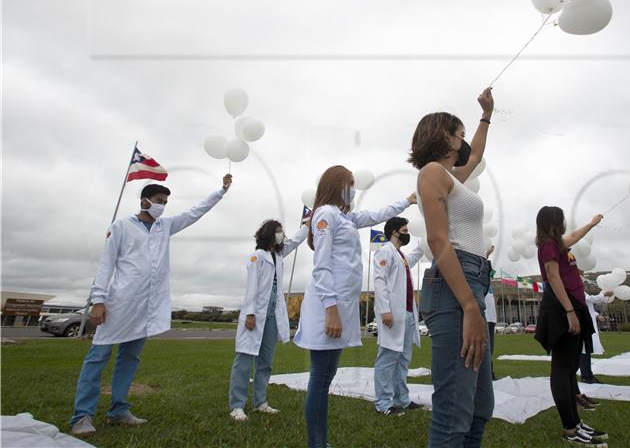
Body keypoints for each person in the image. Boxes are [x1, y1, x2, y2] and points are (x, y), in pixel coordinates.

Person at [70, 175, 232, 436]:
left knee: (130, 358)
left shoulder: (164, 226)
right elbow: (106, 263)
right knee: (98, 357)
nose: (162, 206)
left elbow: (195, 212)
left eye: (166, 202)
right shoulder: (122, 226)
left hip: (145, 308)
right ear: (144, 200)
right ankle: (82, 416)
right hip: (119, 304)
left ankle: (118, 410)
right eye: (159, 201)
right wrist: (98, 300)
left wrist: (221, 191)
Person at [294, 165, 416, 448]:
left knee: (325, 376)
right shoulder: (325, 214)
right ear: (336, 185)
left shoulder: (345, 217)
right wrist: (331, 310)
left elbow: (376, 215)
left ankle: (320, 443)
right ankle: (317, 444)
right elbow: (321, 267)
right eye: (349, 183)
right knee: (321, 378)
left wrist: (406, 201)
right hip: (329, 308)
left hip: (340, 307)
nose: (353, 189)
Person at [412, 87, 494, 447]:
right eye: (458, 133)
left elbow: (474, 155)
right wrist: (471, 307)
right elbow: (438, 241)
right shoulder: (432, 171)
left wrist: (486, 115)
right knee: (454, 413)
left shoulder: (449, 176)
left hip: (471, 281)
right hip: (455, 288)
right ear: (444, 135)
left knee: (479, 408)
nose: (463, 141)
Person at [533, 206, 608, 447]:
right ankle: (570, 428)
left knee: (569, 368)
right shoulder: (548, 245)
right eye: (561, 218)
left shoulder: (557, 243)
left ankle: (575, 422)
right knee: (562, 368)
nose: (565, 222)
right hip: (562, 307)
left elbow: (574, 236)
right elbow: (553, 278)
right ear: (554, 221)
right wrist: (569, 311)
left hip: (572, 304)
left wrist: (592, 223)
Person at [228, 218, 309, 421]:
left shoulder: (278, 256)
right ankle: (237, 405)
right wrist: (250, 313)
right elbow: (252, 287)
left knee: (265, 362)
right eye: (278, 231)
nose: (282, 234)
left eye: (282, 231)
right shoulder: (257, 256)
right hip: (255, 314)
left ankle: (260, 402)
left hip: (273, 315)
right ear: (269, 234)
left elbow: (296, 240)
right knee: (244, 360)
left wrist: (308, 224)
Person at [372, 216, 425, 415]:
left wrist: (425, 241)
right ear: (395, 232)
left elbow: (413, 258)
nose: (407, 233)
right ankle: (383, 404)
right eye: (404, 230)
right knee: (387, 357)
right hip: (392, 314)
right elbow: (379, 281)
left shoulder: (400, 255)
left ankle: (402, 399)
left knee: (403, 359)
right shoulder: (384, 252)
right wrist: (385, 310)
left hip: (408, 313)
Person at [579, 287, 614, 385]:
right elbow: (588, 299)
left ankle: (588, 374)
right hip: (584, 323)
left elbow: (588, 305)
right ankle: (586, 375)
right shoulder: (574, 288)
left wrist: (596, 315)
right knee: (584, 350)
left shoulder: (580, 290)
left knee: (587, 350)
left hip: (587, 323)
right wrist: (603, 294)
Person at [484, 245, 498, 381]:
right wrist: (486, 253)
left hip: (491, 318)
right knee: (485, 349)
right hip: (485, 318)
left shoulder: (488, 284)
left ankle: (490, 372)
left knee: (490, 349)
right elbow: (481, 263)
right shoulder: (481, 281)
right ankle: (487, 374)